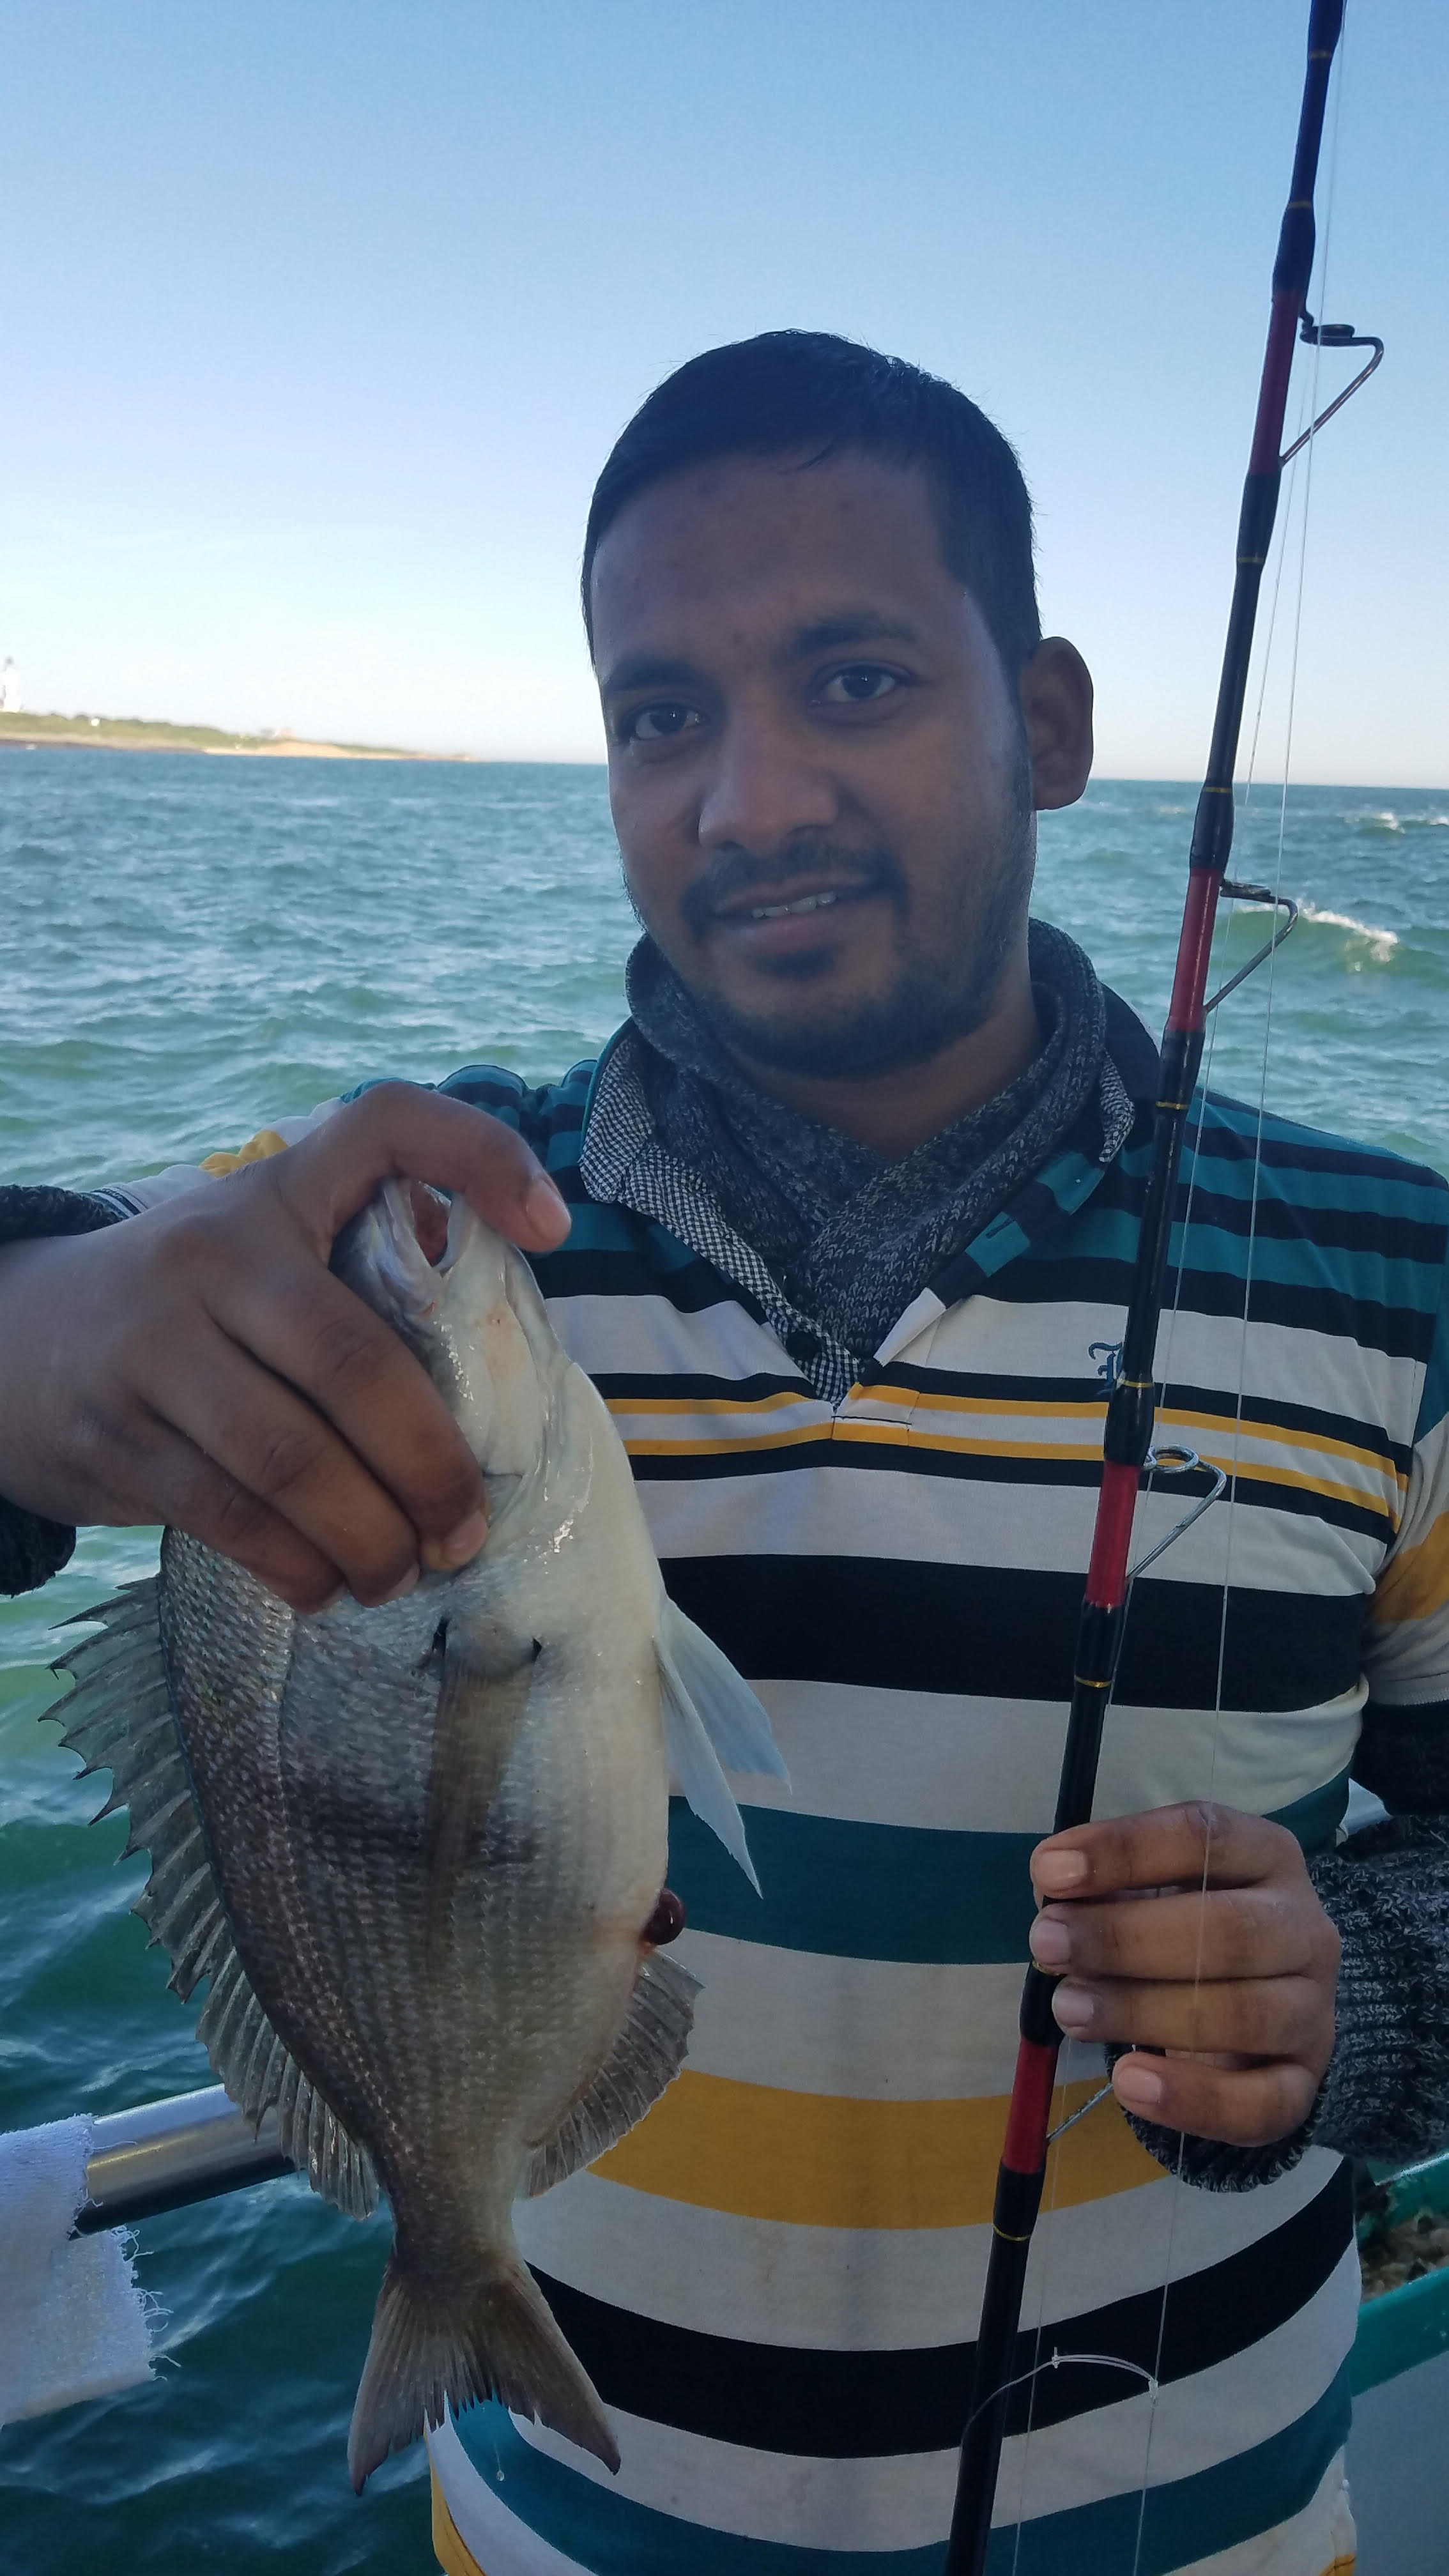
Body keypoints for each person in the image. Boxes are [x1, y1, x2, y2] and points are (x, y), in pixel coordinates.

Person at [1, 331, 1445, 2576]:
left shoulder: (1396, 1279)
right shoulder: (392, 1234)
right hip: (549, 2532)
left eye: (854, 682)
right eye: (659, 716)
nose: (746, 801)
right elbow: (91, 1328)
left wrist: (1375, 1994)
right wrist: (28, 1329)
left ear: (1050, 722)